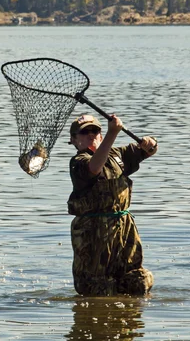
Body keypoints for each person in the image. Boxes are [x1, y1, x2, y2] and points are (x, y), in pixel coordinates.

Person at [67, 114, 157, 296]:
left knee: (137, 281)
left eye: (95, 130)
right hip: (93, 233)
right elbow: (94, 167)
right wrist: (112, 133)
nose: (91, 135)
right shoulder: (78, 162)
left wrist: (150, 144)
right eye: (85, 132)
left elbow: (148, 150)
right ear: (74, 140)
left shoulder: (117, 155)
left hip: (124, 228)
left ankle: (126, 317)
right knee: (95, 287)